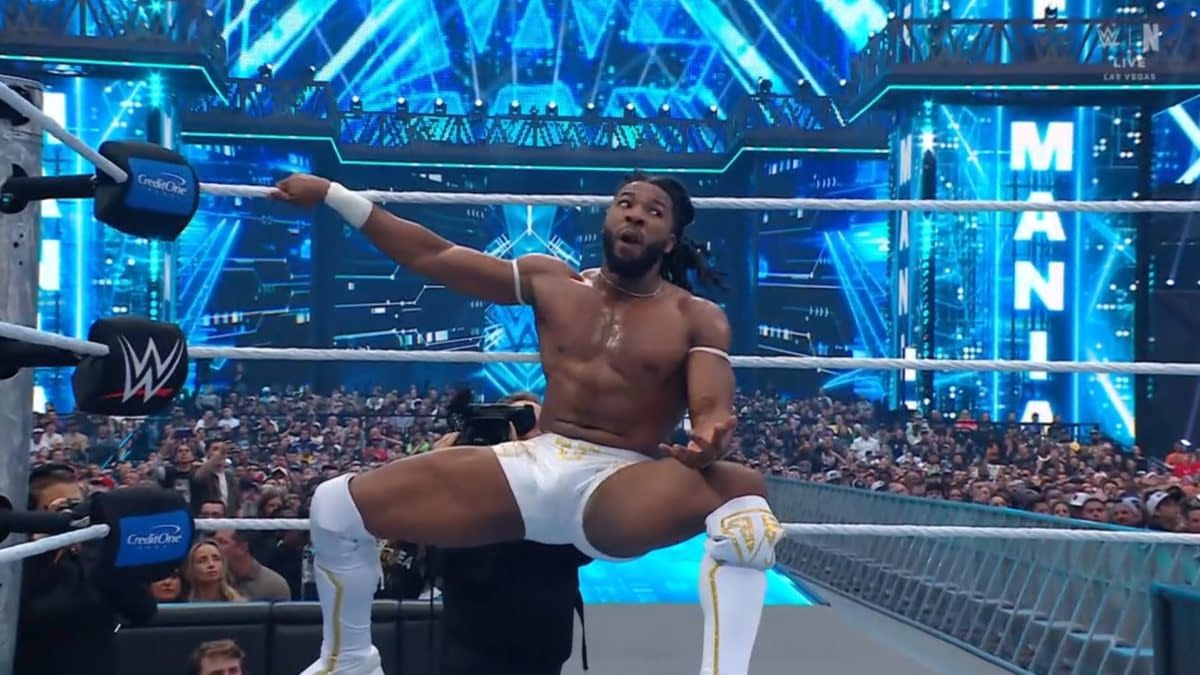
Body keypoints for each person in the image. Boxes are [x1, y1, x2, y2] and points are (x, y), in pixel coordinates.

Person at [273, 171, 782, 675]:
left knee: (744, 501)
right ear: (608, 216)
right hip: (535, 463)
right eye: (626, 202)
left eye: (653, 211)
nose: (635, 214)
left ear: (670, 239)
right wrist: (333, 195)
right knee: (335, 504)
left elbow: (712, 404)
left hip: (620, 484)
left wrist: (710, 435)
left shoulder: (698, 316)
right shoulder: (552, 282)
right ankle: (349, 660)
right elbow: (432, 255)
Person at [432, 392, 592, 675]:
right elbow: (431, 547)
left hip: (540, 645)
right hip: (471, 641)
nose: (525, 430)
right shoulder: (465, 482)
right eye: (516, 421)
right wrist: (436, 467)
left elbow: (584, 547)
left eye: (532, 422)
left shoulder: (562, 484)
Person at [15, 464, 158, 675]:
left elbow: (143, 611)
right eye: (59, 508)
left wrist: (98, 552)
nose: (69, 514)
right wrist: (43, 548)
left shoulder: (93, 557)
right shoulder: (17, 565)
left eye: (75, 504)